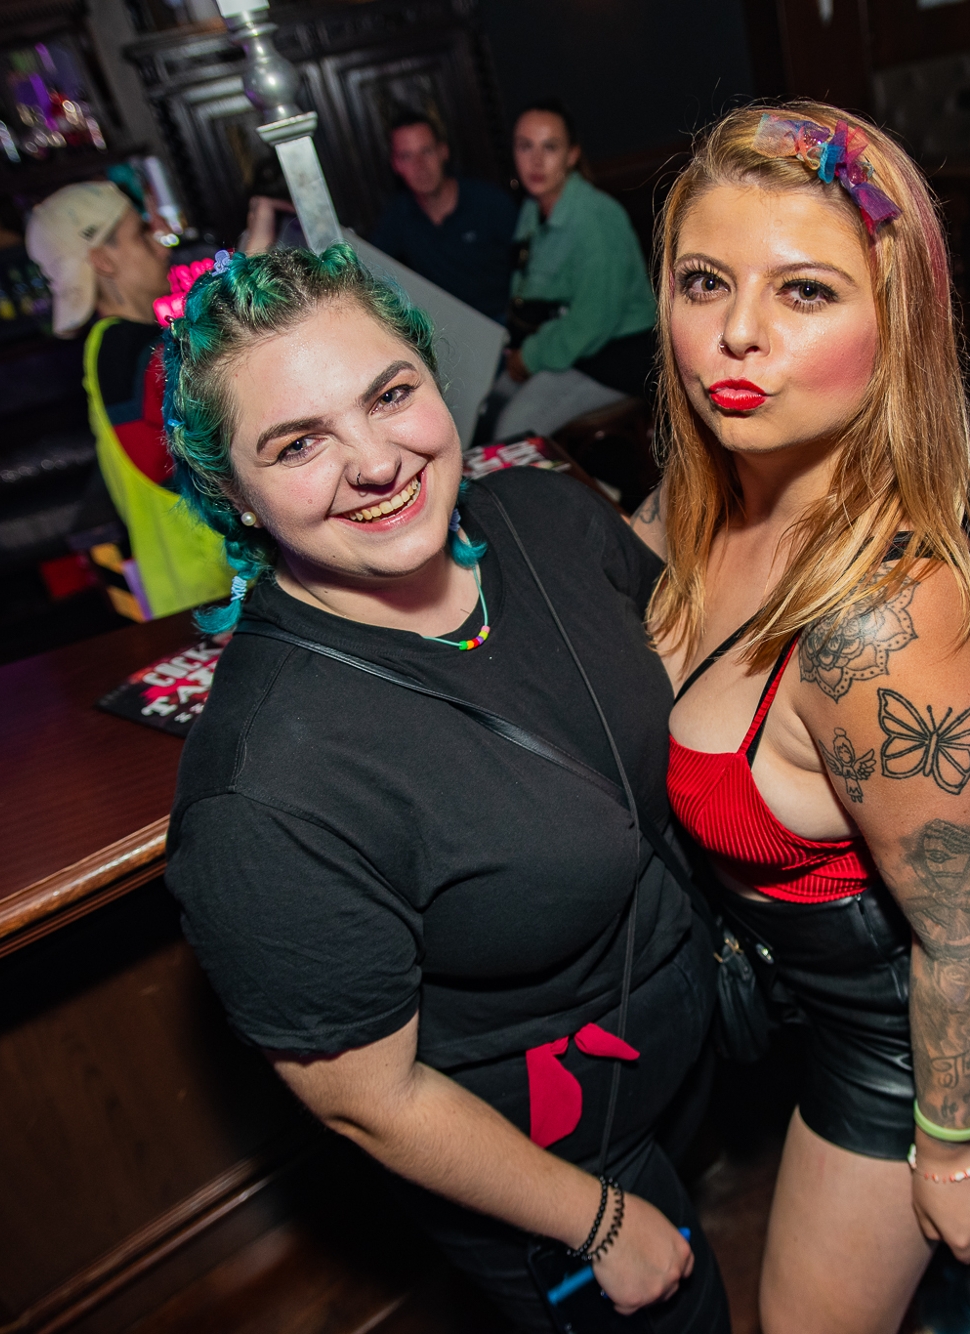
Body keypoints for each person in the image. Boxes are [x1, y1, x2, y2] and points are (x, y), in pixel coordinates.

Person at [158, 245, 728, 1333]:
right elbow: (367, 1100)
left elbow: (692, 678)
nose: (376, 462)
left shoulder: (547, 517)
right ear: (231, 492)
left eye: (390, 394)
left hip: (690, 1051)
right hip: (550, 1165)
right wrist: (596, 1220)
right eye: (298, 443)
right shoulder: (266, 791)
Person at [639, 102, 970, 1334]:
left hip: (928, 1002)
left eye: (804, 291)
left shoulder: (880, 629)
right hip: (905, 935)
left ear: (897, 327)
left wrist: (946, 1141)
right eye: (704, 280)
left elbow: (954, 941)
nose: (735, 331)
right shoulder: (709, 490)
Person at [27, 181, 233, 617]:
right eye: (140, 235)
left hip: (190, 599)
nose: (160, 247)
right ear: (102, 260)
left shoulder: (107, 350)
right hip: (224, 595)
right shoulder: (135, 353)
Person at [487, 100, 657, 442]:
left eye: (549, 147)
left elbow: (592, 322)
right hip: (568, 344)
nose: (536, 161)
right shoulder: (532, 208)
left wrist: (530, 357)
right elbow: (527, 290)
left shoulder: (598, 219)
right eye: (525, 146)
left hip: (616, 355)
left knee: (511, 433)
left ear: (572, 155)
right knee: (487, 405)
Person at [367, 111, 517, 323]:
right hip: (449, 330)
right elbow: (368, 269)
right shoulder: (399, 215)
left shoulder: (489, 203)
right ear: (396, 165)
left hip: (505, 320)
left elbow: (533, 268)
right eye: (407, 156)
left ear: (443, 152)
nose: (420, 166)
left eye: (426, 151)